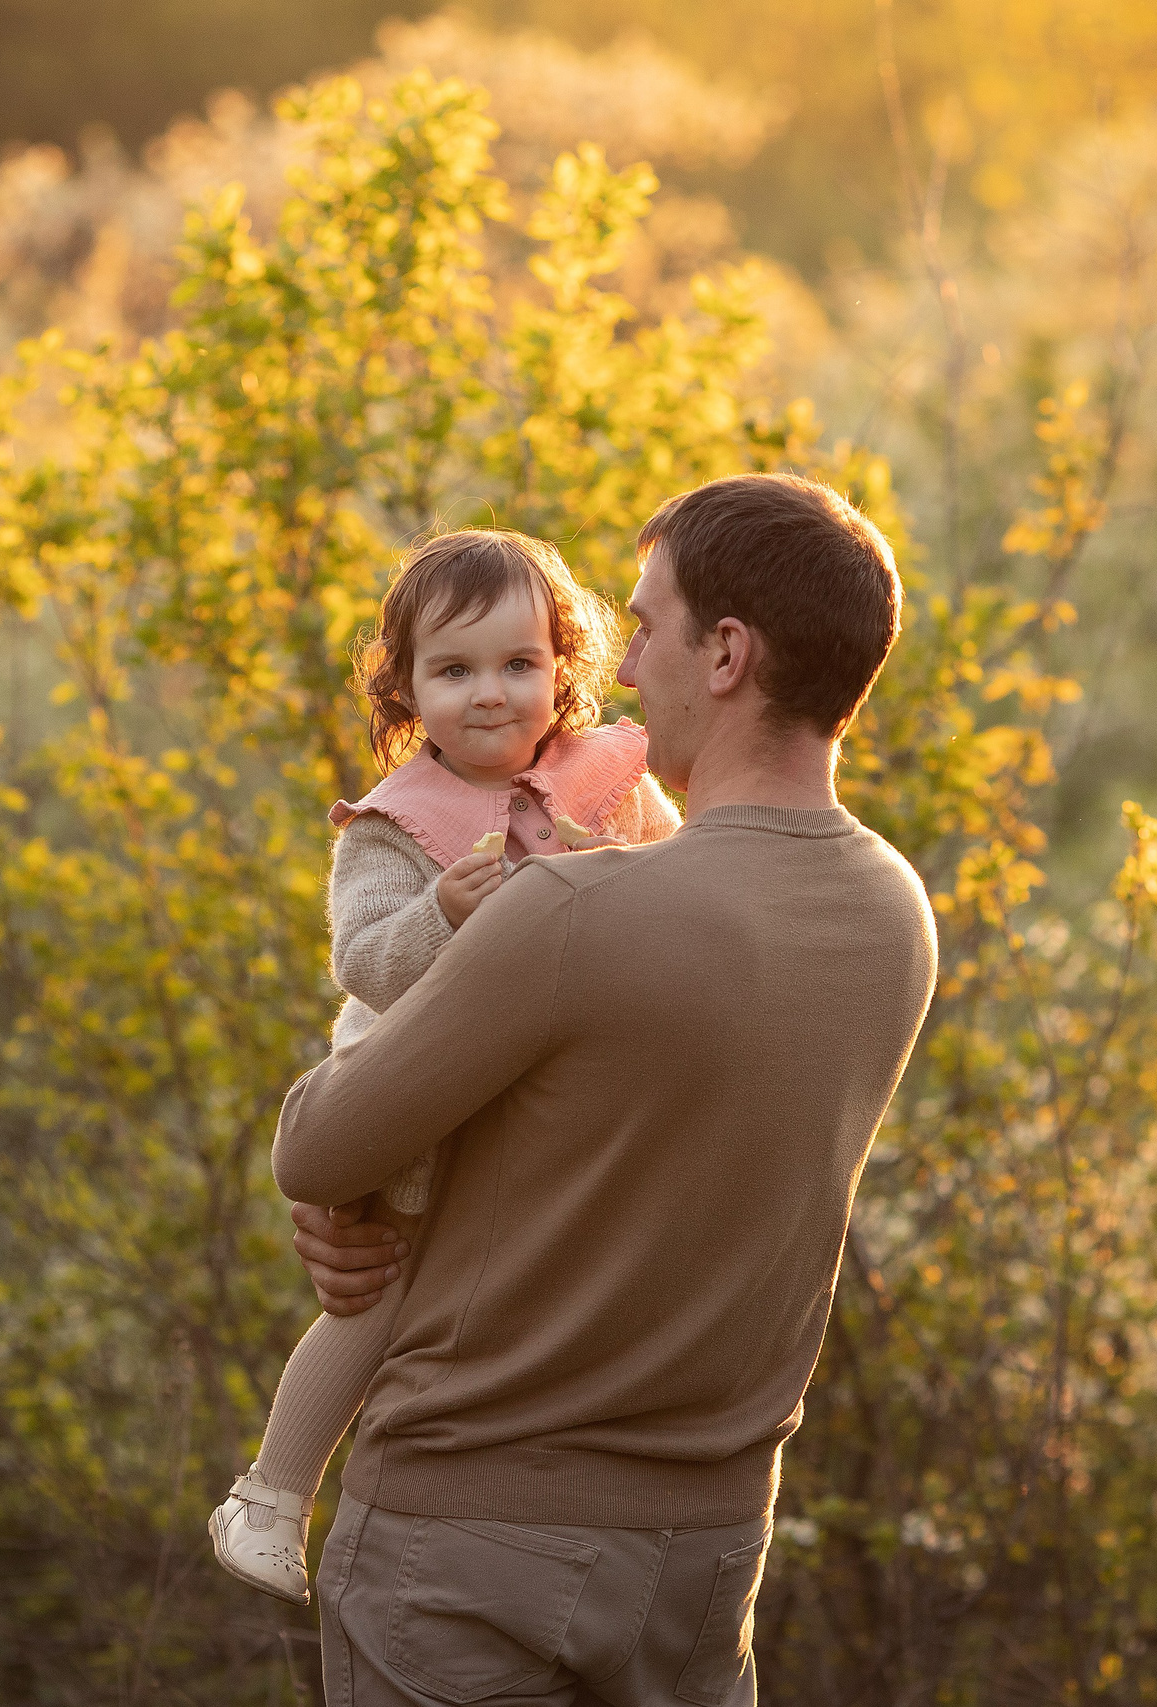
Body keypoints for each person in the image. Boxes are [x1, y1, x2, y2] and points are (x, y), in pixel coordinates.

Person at [273, 472, 938, 1707]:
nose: (621, 673)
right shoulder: (893, 913)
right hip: (700, 1570)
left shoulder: (572, 910)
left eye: (642, 627)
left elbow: (315, 1147)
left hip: (466, 1557)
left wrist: (353, 1204)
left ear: (727, 654)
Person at [208, 528, 683, 1604]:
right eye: (453, 670)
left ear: (563, 667)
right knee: (381, 1288)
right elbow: (365, 962)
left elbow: (680, 877)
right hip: (412, 1086)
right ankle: (272, 1497)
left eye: (519, 664)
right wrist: (440, 913)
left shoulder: (608, 779)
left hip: (549, 1093)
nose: (489, 694)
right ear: (407, 690)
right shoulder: (392, 829)